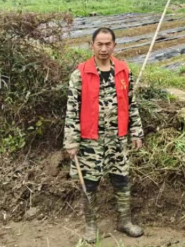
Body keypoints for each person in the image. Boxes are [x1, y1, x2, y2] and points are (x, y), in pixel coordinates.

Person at [64, 27, 144, 243]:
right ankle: (91, 226)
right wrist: (71, 140)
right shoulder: (80, 74)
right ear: (92, 45)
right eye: (99, 44)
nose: (104, 48)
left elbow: (131, 104)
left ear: (114, 45)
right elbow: (72, 109)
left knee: (122, 180)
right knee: (89, 183)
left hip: (117, 139)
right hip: (90, 141)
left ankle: (124, 221)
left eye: (108, 44)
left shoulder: (123, 71)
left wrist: (136, 131)